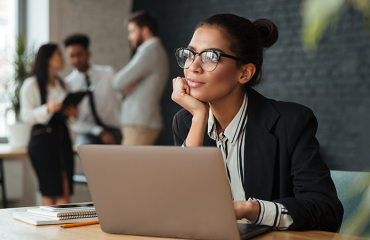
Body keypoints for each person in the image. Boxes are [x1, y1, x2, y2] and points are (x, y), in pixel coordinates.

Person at [171, 14, 343, 231]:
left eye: (210, 57)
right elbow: (179, 206)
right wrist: (198, 117)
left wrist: (249, 209)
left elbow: (326, 211)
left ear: (244, 73)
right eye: (190, 54)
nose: (193, 67)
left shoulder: (290, 123)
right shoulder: (186, 122)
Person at [20, 43, 77, 205]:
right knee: (50, 191)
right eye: (58, 54)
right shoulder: (31, 85)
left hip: (62, 139)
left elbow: (72, 120)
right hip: (42, 142)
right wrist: (47, 108)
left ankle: (64, 229)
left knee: (65, 190)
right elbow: (26, 116)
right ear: (48, 58)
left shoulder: (64, 85)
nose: (62, 58)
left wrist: (73, 114)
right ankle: (48, 230)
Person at [113, 10, 169, 145]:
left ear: (145, 30)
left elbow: (118, 82)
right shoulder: (156, 50)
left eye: (132, 31)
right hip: (142, 121)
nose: (130, 37)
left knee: (128, 166)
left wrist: (125, 87)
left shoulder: (150, 50)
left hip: (140, 122)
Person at [64, 34, 122, 145]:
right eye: (71, 56)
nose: (76, 60)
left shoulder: (108, 73)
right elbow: (74, 122)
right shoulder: (68, 84)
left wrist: (124, 125)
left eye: (79, 54)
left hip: (115, 129)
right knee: (84, 148)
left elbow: (123, 98)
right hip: (88, 132)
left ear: (88, 53)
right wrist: (100, 132)